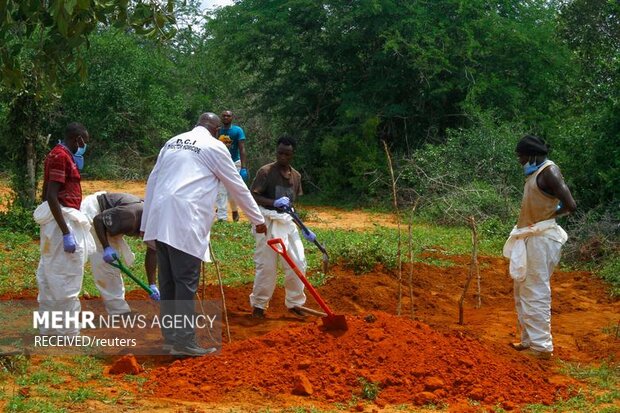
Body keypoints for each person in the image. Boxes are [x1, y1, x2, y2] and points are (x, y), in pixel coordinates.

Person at [141, 112, 267, 356]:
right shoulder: (214, 146)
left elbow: (152, 181)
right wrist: (258, 219)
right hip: (184, 219)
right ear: (216, 129)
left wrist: (147, 225)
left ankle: (171, 339)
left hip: (160, 217)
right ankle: (185, 342)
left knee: (168, 283)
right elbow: (236, 185)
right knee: (186, 283)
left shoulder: (172, 142)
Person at [503, 135, 576, 359]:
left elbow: (570, 205)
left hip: (541, 238)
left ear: (532, 155)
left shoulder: (549, 172)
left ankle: (542, 347)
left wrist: (546, 217)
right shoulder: (536, 173)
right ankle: (529, 340)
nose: (519, 160)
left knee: (535, 292)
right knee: (523, 289)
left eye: (521, 156)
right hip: (533, 237)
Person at [33, 122, 95, 336]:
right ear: (77, 139)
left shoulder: (58, 154)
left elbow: (46, 193)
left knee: (51, 274)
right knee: (65, 275)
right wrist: (66, 232)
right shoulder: (61, 156)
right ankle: (66, 332)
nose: (84, 145)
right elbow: (51, 195)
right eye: (84, 141)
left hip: (59, 221)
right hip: (63, 224)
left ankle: (50, 328)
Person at [249, 135, 316, 319]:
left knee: (298, 261)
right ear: (276, 152)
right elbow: (253, 196)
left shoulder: (296, 176)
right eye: (280, 153)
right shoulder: (265, 172)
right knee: (267, 266)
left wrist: (303, 227)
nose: (283, 157)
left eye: (287, 154)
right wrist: (273, 202)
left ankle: (295, 303)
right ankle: (259, 306)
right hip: (268, 221)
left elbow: (292, 205)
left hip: (287, 222)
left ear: (292, 154)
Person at [81, 192, 159, 315]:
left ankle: (118, 307)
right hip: (95, 214)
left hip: (112, 217)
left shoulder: (154, 224)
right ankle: (118, 312)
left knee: (111, 268)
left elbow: (152, 251)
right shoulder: (131, 216)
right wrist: (106, 247)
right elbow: (99, 220)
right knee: (107, 268)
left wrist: (152, 284)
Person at [215, 110, 248, 222]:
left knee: (232, 191)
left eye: (228, 116)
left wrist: (243, 167)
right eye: (223, 115)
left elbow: (242, 148)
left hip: (234, 163)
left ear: (232, 118)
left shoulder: (237, 130)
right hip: (220, 162)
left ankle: (234, 210)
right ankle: (222, 217)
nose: (225, 117)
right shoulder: (217, 131)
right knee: (221, 190)